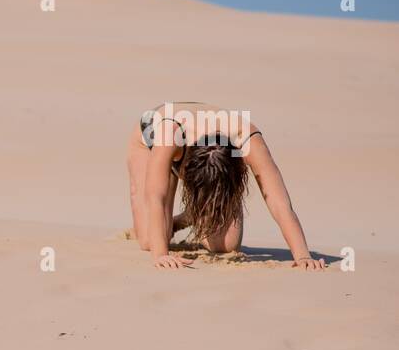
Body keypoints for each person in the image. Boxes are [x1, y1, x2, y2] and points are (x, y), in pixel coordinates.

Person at [126, 101, 325, 270]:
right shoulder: (169, 134)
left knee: (226, 245)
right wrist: (161, 255)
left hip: (205, 155)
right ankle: (193, 211)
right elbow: (155, 196)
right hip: (149, 136)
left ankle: (195, 212)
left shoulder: (247, 139)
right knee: (148, 241)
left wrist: (302, 256)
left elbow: (278, 201)